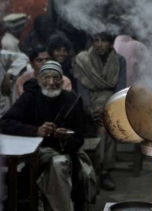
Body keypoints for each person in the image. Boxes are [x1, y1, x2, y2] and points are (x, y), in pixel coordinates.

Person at [0, 61, 98, 211]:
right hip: (32, 153)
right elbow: (4, 122)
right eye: (46, 77)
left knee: (58, 164)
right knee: (55, 165)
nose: (51, 82)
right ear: (39, 80)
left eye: (56, 78)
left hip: (64, 152)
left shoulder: (72, 101)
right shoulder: (30, 97)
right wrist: (35, 130)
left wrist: (66, 138)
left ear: (62, 80)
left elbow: (79, 138)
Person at [73, 31, 126, 190]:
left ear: (111, 44)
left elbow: (120, 87)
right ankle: (99, 170)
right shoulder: (83, 60)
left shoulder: (119, 60)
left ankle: (103, 171)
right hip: (87, 102)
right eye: (96, 40)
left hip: (111, 101)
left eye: (104, 40)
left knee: (107, 124)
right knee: (103, 123)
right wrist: (90, 108)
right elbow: (81, 89)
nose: (99, 44)